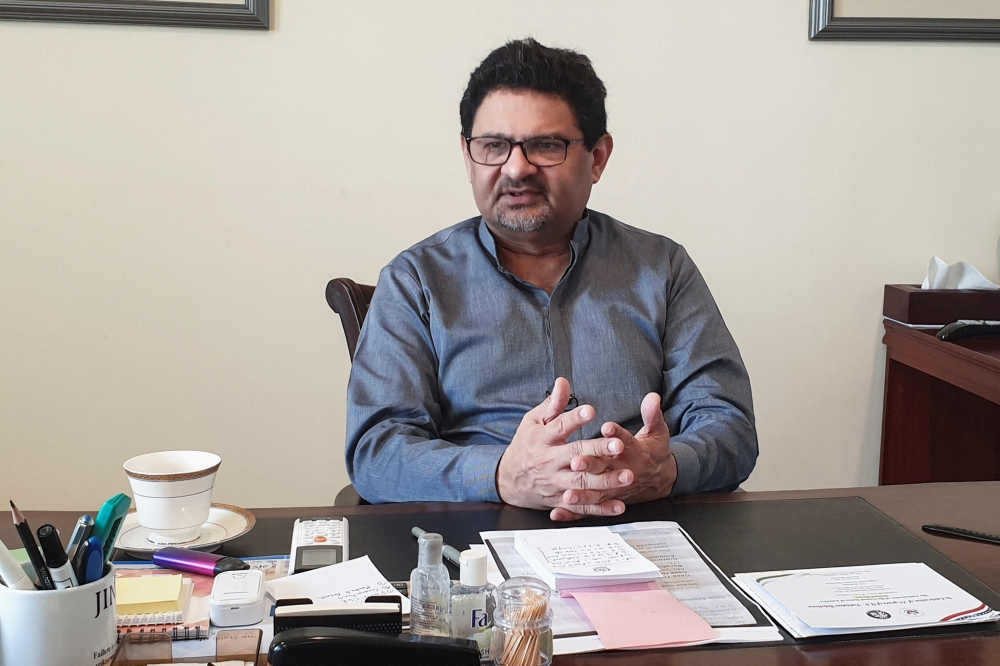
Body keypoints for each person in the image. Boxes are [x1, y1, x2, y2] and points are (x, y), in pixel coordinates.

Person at [345, 38, 757, 521]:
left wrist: (664, 467)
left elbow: (729, 426)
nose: (516, 168)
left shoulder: (661, 268)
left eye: (545, 146)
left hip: (642, 527)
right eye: (493, 146)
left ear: (598, 157)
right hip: (477, 544)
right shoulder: (416, 281)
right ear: (466, 153)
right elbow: (377, 451)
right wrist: (502, 473)